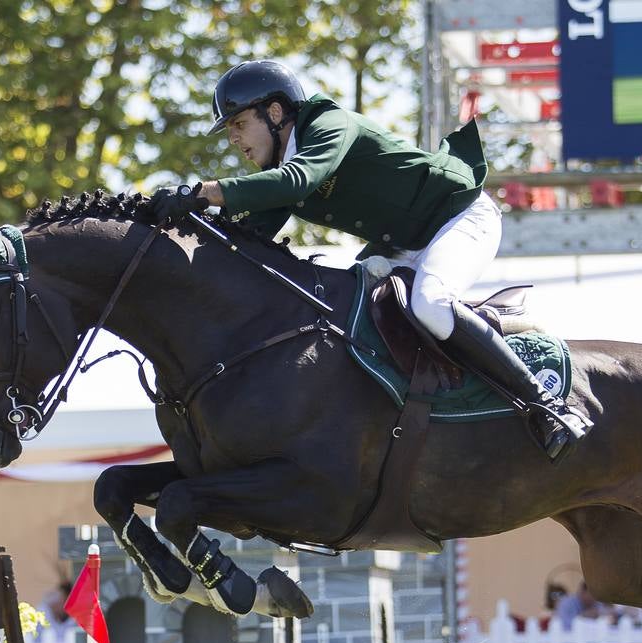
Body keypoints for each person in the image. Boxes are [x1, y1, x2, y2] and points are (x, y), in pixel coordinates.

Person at [147, 59, 592, 460]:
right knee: (347, 313)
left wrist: (204, 192)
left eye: (240, 123)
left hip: (459, 215)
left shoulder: (327, 124)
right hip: (400, 245)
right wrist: (172, 233)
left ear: (276, 113)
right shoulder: (280, 169)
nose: (235, 139)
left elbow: (299, 180)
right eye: (230, 130)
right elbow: (241, 243)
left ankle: (547, 406)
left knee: (431, 304)